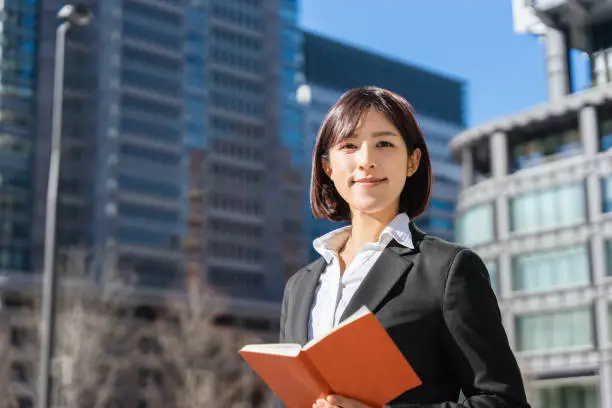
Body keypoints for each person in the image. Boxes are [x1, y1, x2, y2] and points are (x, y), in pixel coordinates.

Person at [278, 86, 531, 408]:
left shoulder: (447, 270)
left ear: (412, 162)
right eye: (349, 146)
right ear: (328, 167)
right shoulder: (300, 286)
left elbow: (503, 401)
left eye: (384, 144)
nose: (366, 160)